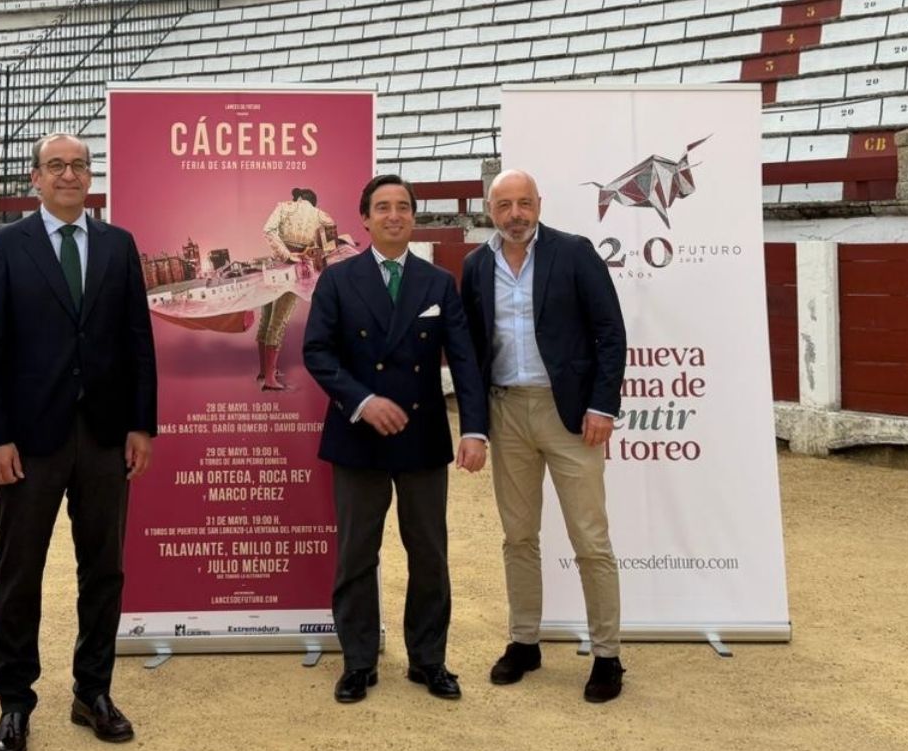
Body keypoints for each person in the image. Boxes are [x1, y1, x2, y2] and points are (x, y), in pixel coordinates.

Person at [0, 132, 158, 751]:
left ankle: (93, 693)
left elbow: (138, 341)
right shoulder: (3, 248)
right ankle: (14, 703)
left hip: (106, 436)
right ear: (36, 178)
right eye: (57, 166)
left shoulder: (118, 244)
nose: (69, 175)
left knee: (103, 569)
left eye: (79, 166)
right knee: (19, 571)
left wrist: (141, 424)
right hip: (28, 442)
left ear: (89, 176)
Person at [303, 174, 489, 704]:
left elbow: (466, 361)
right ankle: (358, 662)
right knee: (357, 553)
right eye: (382, 207)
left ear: (413, 217)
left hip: (421, 434)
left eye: (402, 207)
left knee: (429, 552)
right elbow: (318, 353)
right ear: (364, 218)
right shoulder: (337, 280)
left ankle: (428, 660)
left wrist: (473, 429)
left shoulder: (437, 283)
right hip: (358, 435)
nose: (393, 215)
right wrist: (363, 401)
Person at [459, 170, 629, 703]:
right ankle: (524, 641)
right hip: (507, 411)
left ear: (539, 205)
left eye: (524, 203)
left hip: (570, 415)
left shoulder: (574, 253)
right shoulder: (476, 265)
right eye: (505, 205)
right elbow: (471, 355)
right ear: (491, 210)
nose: (515, 214)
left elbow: (610, 332)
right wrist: (475, 427)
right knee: (518, 536)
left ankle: (607, 655)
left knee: (590, 537)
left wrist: (602, 404)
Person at [255, 187, 340, 390]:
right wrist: (309, 254)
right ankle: (269, 379)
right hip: (294, 270)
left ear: (300, 198)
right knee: (279, 321)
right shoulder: (322, 216)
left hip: (273, 267)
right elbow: (330, 249)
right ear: (313, 201)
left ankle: (264, 371)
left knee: (266, 318)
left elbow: (268, 230)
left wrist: (284, 254)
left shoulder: (284, 207)